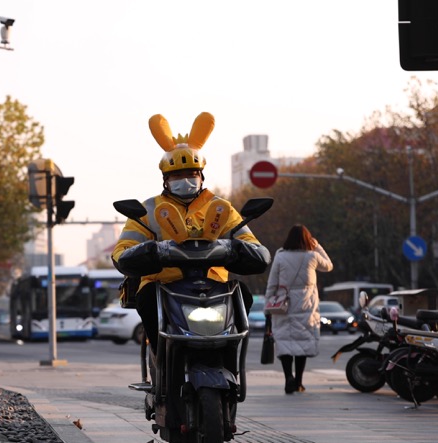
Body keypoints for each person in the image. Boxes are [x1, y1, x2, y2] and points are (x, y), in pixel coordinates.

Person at [112, 112, 271, 354]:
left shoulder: (221, 208)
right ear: (165, 179)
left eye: (191, 174)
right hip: (163, 285)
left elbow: (249, 241)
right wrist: (147, 251)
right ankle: (161, 359)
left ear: (201, 176)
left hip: (214, 284)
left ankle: (230, 356)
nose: (184, 180)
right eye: (177, 175)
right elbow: (121, 251)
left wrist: (243, 249)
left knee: (243, 294)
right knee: (145, 300)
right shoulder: (147, 210)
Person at [265, 224, 334, 394]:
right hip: (306, 307)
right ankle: (299, 382)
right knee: (302, 345)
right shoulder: (312, 256)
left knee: (285, 344)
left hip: (284, 307)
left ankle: (288, 377)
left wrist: (268, 308)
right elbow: (329, 266)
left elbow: (272, 284)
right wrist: (317, 246)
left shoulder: (280, 257)